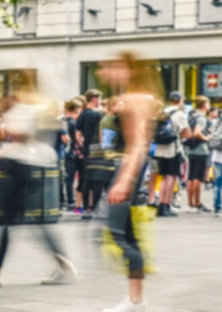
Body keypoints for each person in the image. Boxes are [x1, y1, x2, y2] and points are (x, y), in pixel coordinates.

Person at [0, 88, 79, 289]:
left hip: (19, 169)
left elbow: (19, 139)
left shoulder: (22, 111)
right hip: (30, 168)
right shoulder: (35, 110)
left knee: (8, 223)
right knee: (24, 223)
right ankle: (61, 264)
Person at [95, 51, 158, 312]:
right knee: (125, 235)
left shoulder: (133, 100)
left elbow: (137, 145)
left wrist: (124, 181)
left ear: (127, 69)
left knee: (118, 236)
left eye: (111, 66)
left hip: (127, 171)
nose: (104, 72)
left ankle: (136, 298)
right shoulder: (139, 97)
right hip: (129, 170)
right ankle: (136, 299)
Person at [152, 91, 190, 217]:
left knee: (163, 176)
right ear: (179, 100)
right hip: (173, 149)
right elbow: (187, 133)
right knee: (171, 177)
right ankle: (166, 204)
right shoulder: (179, 114)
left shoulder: (163, 112)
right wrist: (181, 136)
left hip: (160, 148)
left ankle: (160, 205)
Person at [184, 96, 212, 213]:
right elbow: (196, 133)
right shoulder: (202, 118)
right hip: (200, 149)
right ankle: (197, 202)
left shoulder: (192, 116)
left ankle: (190, 202)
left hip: (191, 149)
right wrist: (206, 138)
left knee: (190, 177)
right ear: (204, 105)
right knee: (197, 177)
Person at [60, 99, 85, 213]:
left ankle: (67, 200)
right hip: (75, 153)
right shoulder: (74, 123)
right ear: (76, 110)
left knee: (68, 179)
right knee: (78, 178)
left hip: (66, 152)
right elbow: (76, 138)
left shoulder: (62, 121)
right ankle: (73, 202)